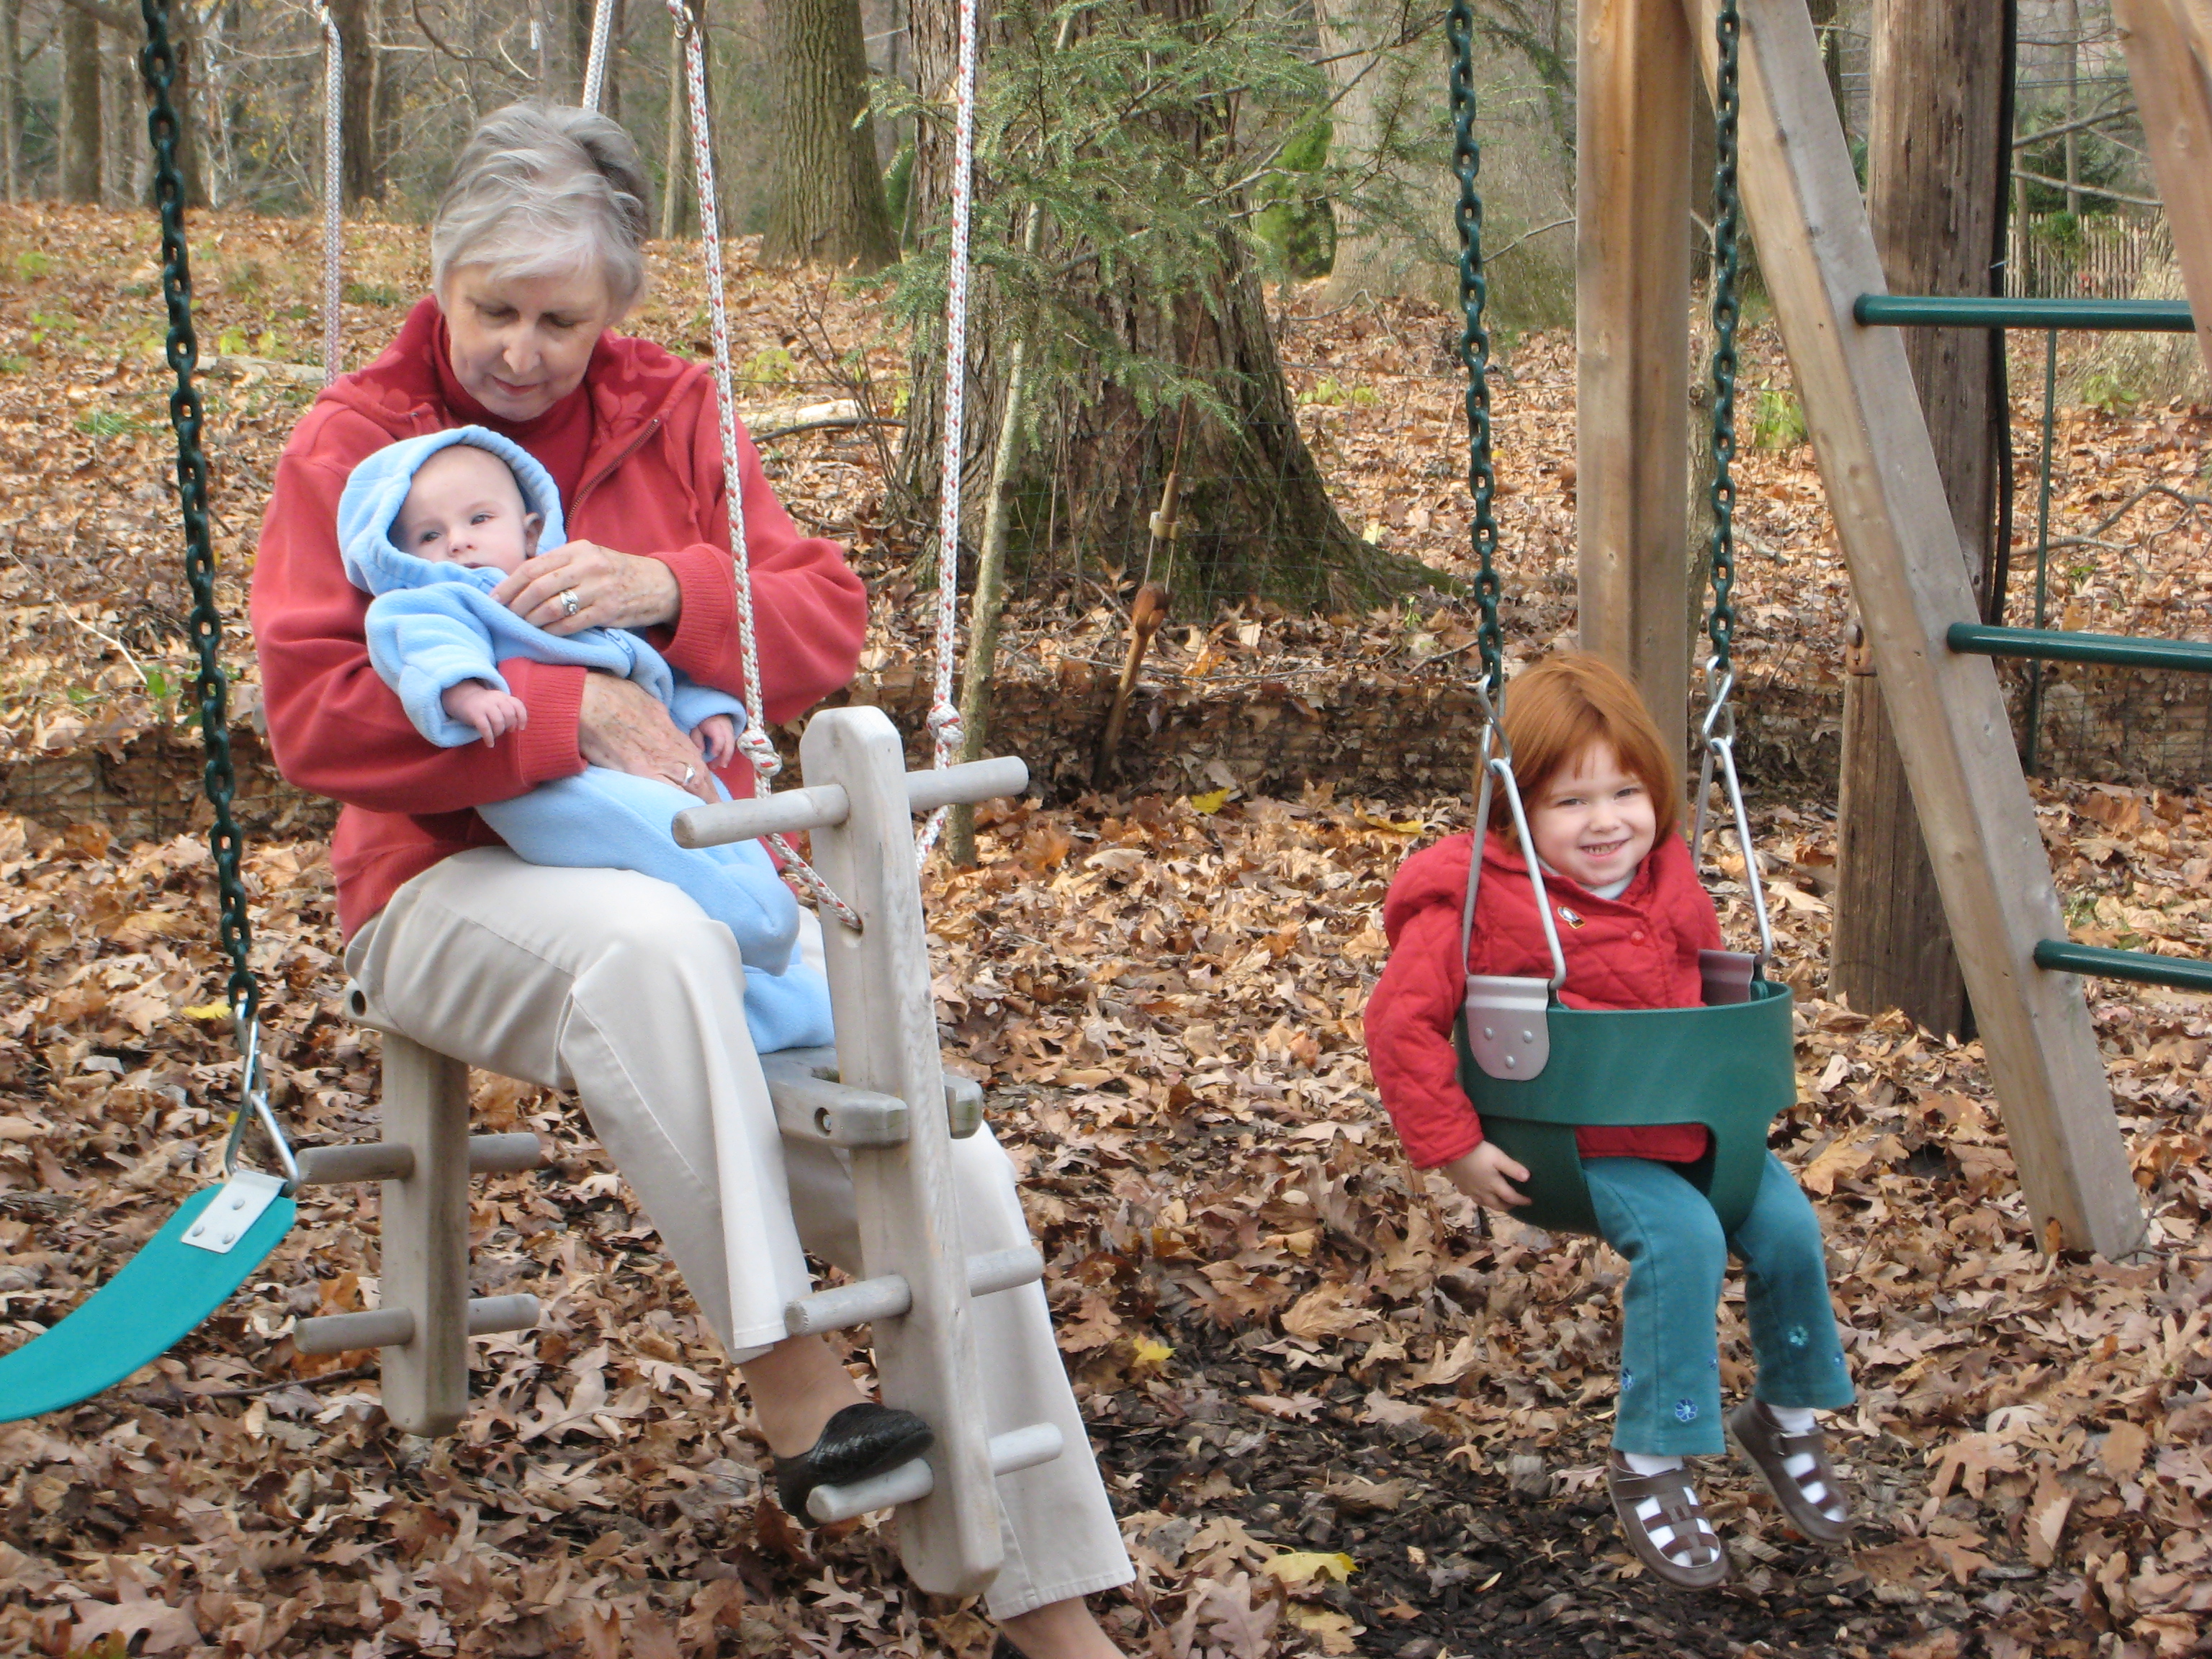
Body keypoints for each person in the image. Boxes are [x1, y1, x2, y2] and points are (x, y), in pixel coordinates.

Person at [253, 100, 1133, 1655]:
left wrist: (669, 590)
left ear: (618, 305)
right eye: (493, 309)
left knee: (962, 1179)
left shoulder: (673, 410)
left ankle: (1053, 1613)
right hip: (443, 889)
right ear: (439, 279)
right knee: (646, 940)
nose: (522, 350)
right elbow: (313, 715)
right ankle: (793, 1379)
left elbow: (823, 617)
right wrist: (563, 710)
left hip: (705, 880)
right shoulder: (358, 440)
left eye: (562, 320)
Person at [1364, 653, 1853, 1591]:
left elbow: (1703, 996)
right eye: (1571, 801)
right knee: (1684, 1241)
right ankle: (1652, 1459)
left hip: (1688, 1130)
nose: (1605, 822)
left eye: (1625, 792)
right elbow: (1399, 1022)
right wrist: (1454, 1144)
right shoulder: (1474, 902)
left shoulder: (1669, 878)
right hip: (1571, 1146)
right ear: (1514, 806)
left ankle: (1785, 1417)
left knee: (1790, 1229)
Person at [338, 425, 831, 1053]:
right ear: (401, 554)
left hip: (646, 767)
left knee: (717, 832)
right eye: (429, 536)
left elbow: (642, 662)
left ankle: (773, 1004)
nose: (457, 542)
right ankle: (761, 921)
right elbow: (425, 651)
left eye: (479, 519)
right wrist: (469, 691)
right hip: (550, 788)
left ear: (531, 529)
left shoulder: (562, 591)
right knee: (660, 832)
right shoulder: (438, 600)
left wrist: (707, 709)